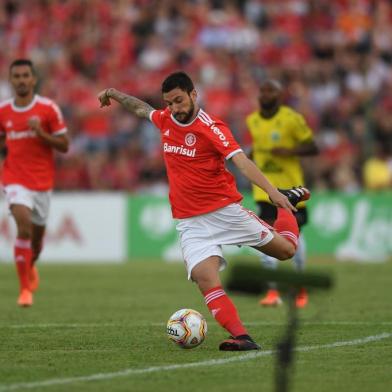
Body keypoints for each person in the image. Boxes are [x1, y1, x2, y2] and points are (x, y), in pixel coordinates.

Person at [98, 71, 310, 351]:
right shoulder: (165, 120)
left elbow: (242, 162)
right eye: (169, 103)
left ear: (193, 94)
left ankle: (287, 205)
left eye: (179, 101)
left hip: (224, 211)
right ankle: (242, 337)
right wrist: (114, 92)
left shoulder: (212, 127)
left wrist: (273, 194)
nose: (174, 108)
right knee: (204, 277)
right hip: (190, 222)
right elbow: (141, 108)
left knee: (286, 251)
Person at [0, 59, 69, 307]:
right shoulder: (3, 111)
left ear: (33, 79)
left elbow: (64, 145)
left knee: (37, 242)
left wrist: (40, 133)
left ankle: (30, 265)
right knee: (23, 226)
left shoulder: (48, 109)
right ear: (11, 80)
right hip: (14, 178)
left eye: (24, 75)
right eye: (16, 76)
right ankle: (24, 290)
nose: (20, 80)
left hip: (42, 183)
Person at [246, 79, 318, 308]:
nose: (266, 94)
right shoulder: (252, 120)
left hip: (292, 190)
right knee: (266, 235)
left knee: (294, 238)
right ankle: (272, 291)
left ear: (279, 95)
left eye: (271, 91)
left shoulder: (291, 119)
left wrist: (290, 151)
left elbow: (312, 147)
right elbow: (256, 147)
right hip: (265, 192)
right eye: (263, 91)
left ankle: (300, 288)